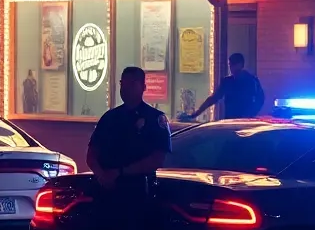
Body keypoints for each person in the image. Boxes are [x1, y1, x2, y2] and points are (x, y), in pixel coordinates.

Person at [87, 66, 172, 194]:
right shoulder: (109, 118)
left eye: (132, 84)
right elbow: (92, 154)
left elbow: (157, 158)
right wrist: (102, 176)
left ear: (143, 87)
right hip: (106, 191)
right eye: (123, 83)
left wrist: (121, 172)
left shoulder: (154, 119)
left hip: (139, 190)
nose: (126, 88)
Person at [184, 53, 264, 121]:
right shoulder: (227, 81)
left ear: (241, 64)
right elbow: (213, 99)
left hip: (245, 121)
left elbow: (260, 99)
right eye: (230, 64)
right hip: (230, 120)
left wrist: (250, 114)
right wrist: (195, 114)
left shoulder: (251, 81)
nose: (232, 67)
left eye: (234, 64)